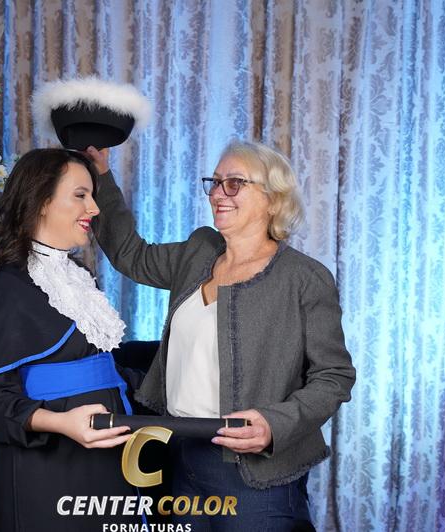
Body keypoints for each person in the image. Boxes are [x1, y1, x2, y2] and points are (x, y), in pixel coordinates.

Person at [88, 140, 356, 531]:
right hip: (181, 453)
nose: (217, 193)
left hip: (255, 476)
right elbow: (132, 254)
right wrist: (100, 175)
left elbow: (334, 376)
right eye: (214, 182)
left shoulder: (304, 278)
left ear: (272, 198)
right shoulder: (199, 251)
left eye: (234, 183)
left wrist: (274, 424)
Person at [0, 148, 141, 531]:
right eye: (80, 195)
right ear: (43, 201)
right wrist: (62, 423)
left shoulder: (79, 279)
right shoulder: (9, 290)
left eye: (92, 195)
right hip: (48, 470)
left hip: (107, 459)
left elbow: (103, 370)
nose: (93, 208)